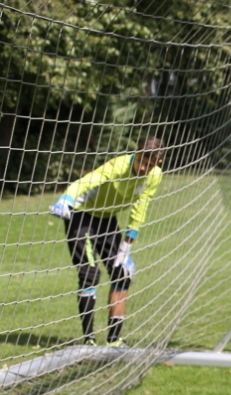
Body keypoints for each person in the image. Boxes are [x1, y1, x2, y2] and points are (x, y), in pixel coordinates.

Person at [49, 137, 164, 347]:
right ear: (135, 155)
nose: (144, 168)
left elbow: (140, 209)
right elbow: (88, 181)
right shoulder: (118, 166)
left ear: (158, 162)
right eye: (141, 161)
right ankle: (89, 340)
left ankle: (114, 340)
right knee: (90, 274)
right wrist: (65, 198)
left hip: (106, 218)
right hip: (81, 214)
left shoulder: (154, 176)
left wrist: (126, 250)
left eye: (150, 165)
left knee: (122, 273)